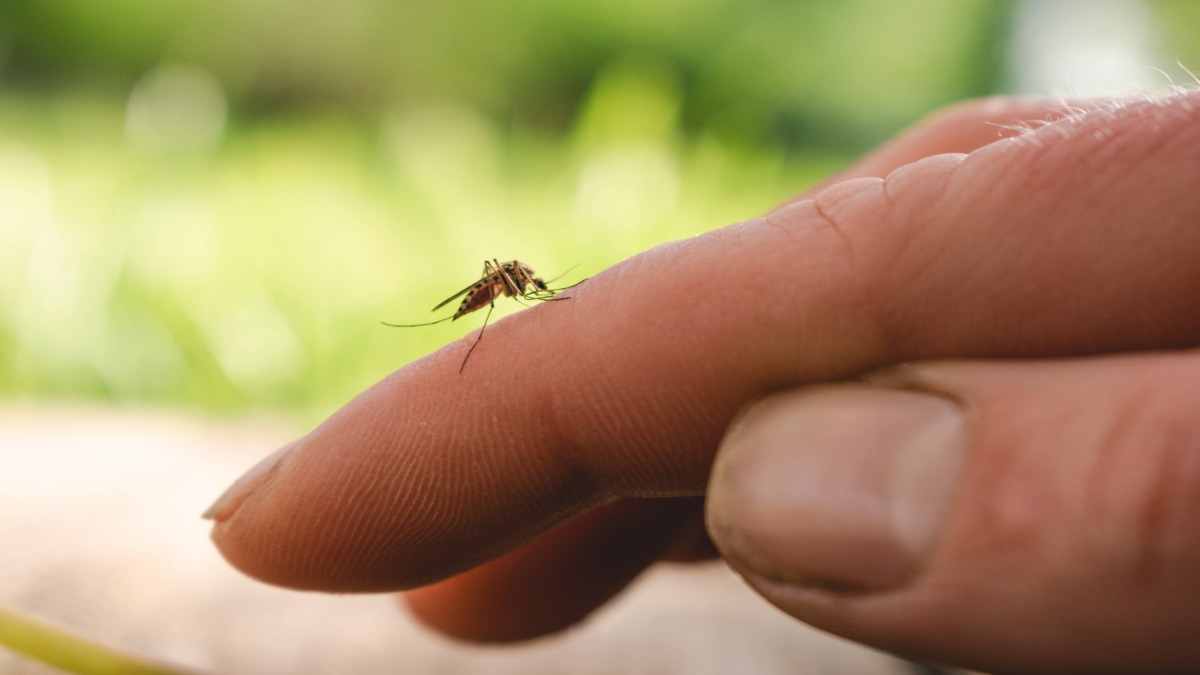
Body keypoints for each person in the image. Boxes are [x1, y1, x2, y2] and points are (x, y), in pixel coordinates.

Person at [204, 90, 1200, 674]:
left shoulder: (524, 293)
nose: (512, 285)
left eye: (511, 284)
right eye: (512, 284)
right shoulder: (494, 292)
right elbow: (503, 291)